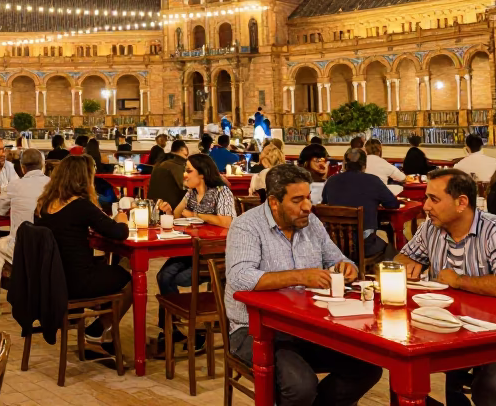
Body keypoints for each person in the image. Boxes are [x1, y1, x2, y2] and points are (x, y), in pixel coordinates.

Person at [226, 164, 376, 405]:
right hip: (255, 330)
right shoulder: (247, 226)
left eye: (308, 197)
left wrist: (347, 268)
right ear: (274, 202)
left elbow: (338, 259)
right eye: (298, 200)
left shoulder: (312, 223)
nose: (308, 206)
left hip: (309, 326)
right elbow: (240, 278)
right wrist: (300, 276)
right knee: (300, 386)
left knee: (367, 366)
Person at [395, 168, 496, 405]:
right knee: (402, 375)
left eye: (434, 199)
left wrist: (457, 280)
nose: (426, 206)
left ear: (461, 202)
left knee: (492, 391)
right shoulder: (431, 228)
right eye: (426, 198)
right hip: (454, 329)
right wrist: (407, 266)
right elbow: (401, 260)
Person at [34, 154, 133, 344]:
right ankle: (100, 328)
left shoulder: (44, 205)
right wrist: (122, 217)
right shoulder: (80, 206)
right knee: (133, 278)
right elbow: (119, 232)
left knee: (108, 268)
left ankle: (101, 322)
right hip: (76, 282)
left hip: (52, 279)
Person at [154, 153, 236, 354]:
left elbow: (227, 221)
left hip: (213, 255)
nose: (184, 175)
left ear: (203, 174)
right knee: (162, 276)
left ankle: (195, 325)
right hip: (190, 249)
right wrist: (167, 211)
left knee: (179, 278)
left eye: (189, 171)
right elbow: (176, 214)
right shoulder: (190, 193)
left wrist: (196, 215)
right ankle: (171, 328)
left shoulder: (220, 191)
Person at [322, 147, 397, 257]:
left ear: (344, 165)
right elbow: (393, 204)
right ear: (364, 166)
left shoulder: (331, 181)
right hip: (365, 246)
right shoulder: (373, 181)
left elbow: (325, 203)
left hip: (335, 245)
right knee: (390, 249)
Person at [0, 148, 49, 273]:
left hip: (21, 246)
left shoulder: (14, 185)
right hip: (48, 245)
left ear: (22, 167)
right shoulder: (53, 185)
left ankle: (2, 287)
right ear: (42, 165)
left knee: (0, 243)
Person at [147, 138, 191, 206]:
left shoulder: (162, 160)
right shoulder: (178, 164)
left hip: (153, 203)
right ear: (183, 149)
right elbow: (183, 186)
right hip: (168, 206)